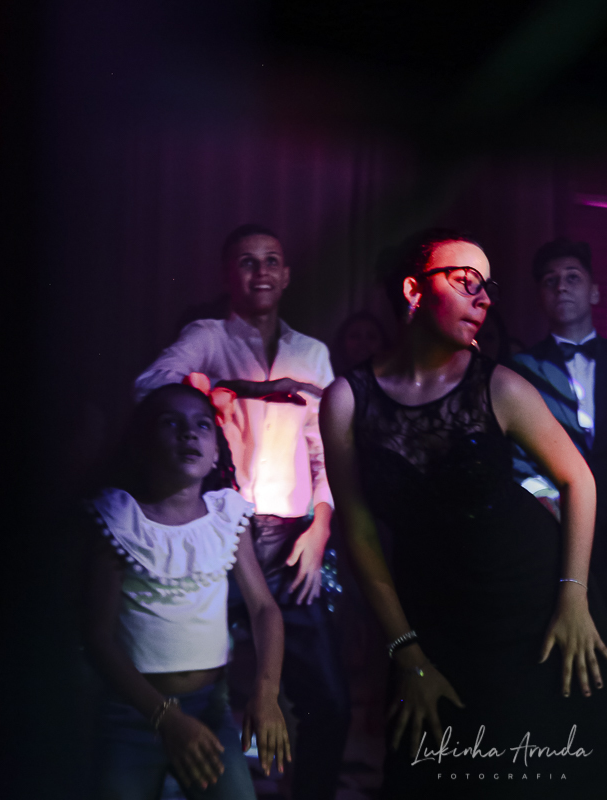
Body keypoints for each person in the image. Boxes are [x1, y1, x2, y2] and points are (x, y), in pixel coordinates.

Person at [319, 228, 607, 799]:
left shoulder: (500, 385)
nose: (484, 299)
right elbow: (359, 530)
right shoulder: (347, 399)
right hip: (432, 613)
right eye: (466, 282)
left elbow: (579, 480)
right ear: (413, 290)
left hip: (533, 604)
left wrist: (572, 600)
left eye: (487, 287)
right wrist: (406, 650)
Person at [133, 223, 349, 800]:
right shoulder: (208, 336)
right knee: (198, 685)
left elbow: (327, 449)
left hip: (292, 539)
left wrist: (321, 525)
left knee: (328, 700)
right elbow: (149, 387)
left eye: (271, 260)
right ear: (230, 274)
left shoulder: (312, 353)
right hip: (218, 534)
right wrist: (228, 391)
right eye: (248, 262)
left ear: (287, 274)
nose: (261, 272)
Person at [508, 237, 607, 799]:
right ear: (540, 295)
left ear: (595, 291)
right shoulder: (518, 370)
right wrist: (544, 503)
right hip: (551, 543)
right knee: (561, 681)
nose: (561, 287)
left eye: (572, 277)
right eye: (550, 280)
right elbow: (515, 457)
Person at [83, 381, 290, 799]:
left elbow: (264, 609)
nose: (189, 433)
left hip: (210, 708)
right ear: (142, 445)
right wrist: (166, 718)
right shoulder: (119, 519)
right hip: (133, 713)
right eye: (171, 423)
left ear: (215, 452)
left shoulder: (227, 517)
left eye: (201, 425)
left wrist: (266, 693)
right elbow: (97, 636)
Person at [331, 310, 391, 377]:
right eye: (355, 336)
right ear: (342, 341)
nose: (363, 343)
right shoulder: (328, 377)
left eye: (371, 337)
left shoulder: (394, 381)